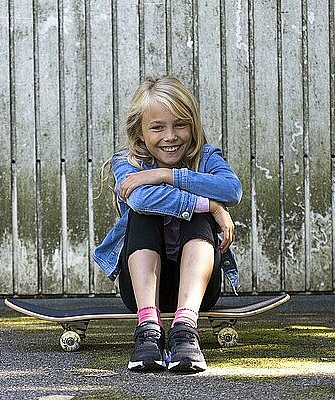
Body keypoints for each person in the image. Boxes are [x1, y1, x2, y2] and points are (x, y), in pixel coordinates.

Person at [93, 75, 242, 373]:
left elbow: (232, 190)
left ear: (193, 125)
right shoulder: (127, 161)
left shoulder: (206, 157)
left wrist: (167, 175)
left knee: (195, 214)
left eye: (180, 125)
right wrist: (210, 205)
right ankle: (148, 330)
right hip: (142, 289)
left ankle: (186, 330)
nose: (170, 136)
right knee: (145, 213)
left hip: (200, 290)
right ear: (140, 131)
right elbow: (138, 200)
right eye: (158, 127)